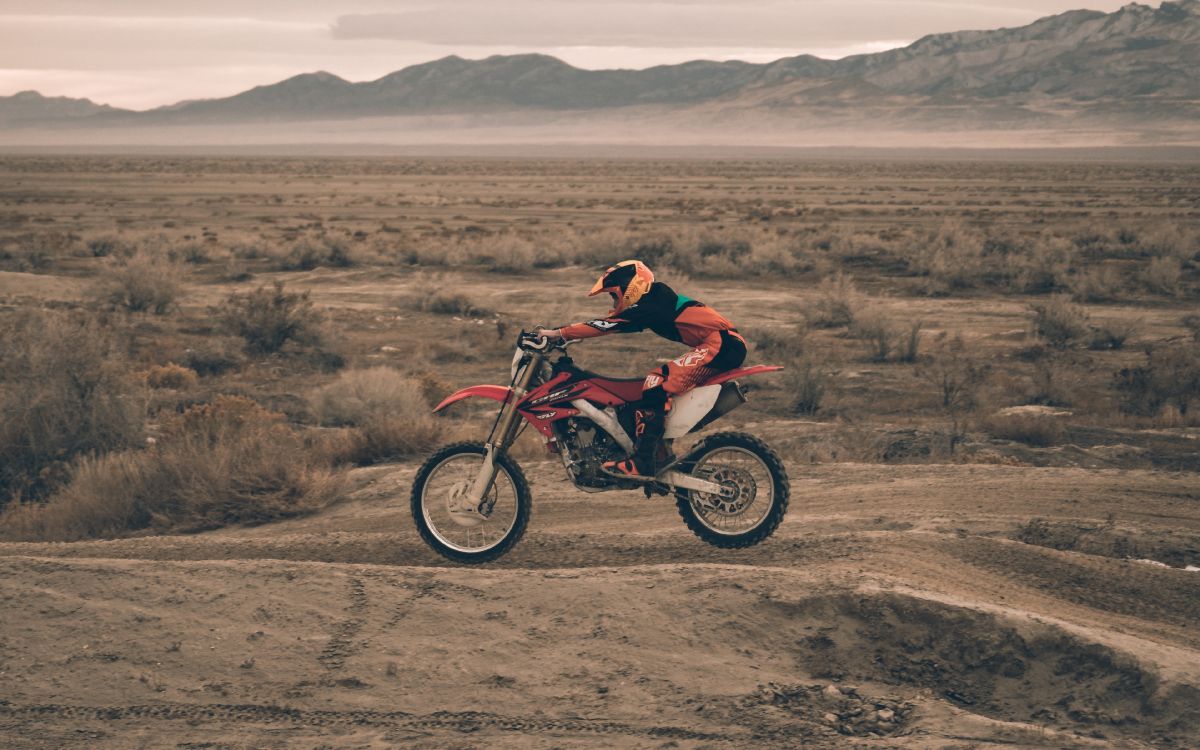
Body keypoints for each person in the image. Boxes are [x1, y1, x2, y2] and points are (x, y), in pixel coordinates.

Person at [538, 260, 746, 477]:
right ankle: (658, 450)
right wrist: (565, 337)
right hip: (720, 344)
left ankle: (644, 460)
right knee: (653, 385)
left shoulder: (654, 300)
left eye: (614, 294)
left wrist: (559, 333)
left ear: (630, 286)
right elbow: (612, 325)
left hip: (722, 344)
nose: (615, 300)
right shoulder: (652, 303)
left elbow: (607, 325)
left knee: (656, 382)